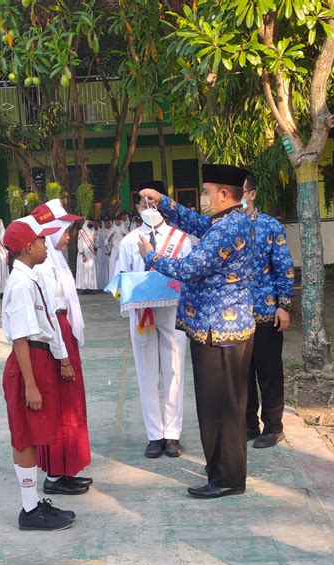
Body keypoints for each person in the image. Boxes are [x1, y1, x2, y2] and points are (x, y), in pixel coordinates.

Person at [139, 163, 255, 499]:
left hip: (217, 332)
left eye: (207, 192)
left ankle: (227, 477)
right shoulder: (232, 220)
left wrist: (152, 256)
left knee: (220, 407)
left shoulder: (226, 229)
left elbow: (189, 268)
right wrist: (163, 201)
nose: (204, 198)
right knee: (225, 404)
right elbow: (197, 223)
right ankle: (222, 468)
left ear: (223, 194)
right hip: (227, 329)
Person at [2, 216, 76, 530]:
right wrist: (31, 385)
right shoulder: (20, 283)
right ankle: (30, 511)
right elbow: (20, 336)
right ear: (28, 246)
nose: (46, 244)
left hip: (36, 359)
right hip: (27, 362)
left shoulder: (27, 277)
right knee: (26, 438)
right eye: (42, 241)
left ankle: (32, 506)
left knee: (29, 436)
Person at [115, 193, 192, 458]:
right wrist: (130, 295)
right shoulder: (128, 241)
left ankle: (172, 434)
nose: (148, 207)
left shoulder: (181, 240)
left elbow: (190, 275)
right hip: (142, 314)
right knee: (146, 373)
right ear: (136, 207)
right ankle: (154, 435)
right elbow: (120, 280)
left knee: (174, 370)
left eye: (152, 202)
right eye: (142, 203)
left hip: (174, 312)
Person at [31, 199, 92, 494]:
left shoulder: (55, 260)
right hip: (57, 337)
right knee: (60, 405)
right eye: (66, 230)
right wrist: (63, 357)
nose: (69, 237)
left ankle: (65, 469)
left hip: (64, 333)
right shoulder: (43, 267)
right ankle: (55, 474)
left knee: (71, 404)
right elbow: (49, 314)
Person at [242, 172, 295, 448]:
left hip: (266, 312)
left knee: (269, 373)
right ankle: (249, 425)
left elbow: (284, 267)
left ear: (252, 194)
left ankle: (273, 427)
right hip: (237, 317)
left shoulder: (270, 226)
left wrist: (284, 305)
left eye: (241, 192)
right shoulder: (229, 227)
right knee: (243, 375)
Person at [75, 217, 97, 292]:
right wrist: (82, 254)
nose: (90, 223)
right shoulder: (81, 232)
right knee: (83, 271)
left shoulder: (94, 231)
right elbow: (79, 243)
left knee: (90, 271)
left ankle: (91, 288)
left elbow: (94, 244)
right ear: (86, 222)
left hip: (91, 254)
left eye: (92, 222)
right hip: (83, 254)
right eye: (89, 222)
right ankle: (83, 288)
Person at [107, 213, 128, 279]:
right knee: (113, 267)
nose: (117, 221)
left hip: (123, 251)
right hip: (114, 251)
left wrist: (125, 235)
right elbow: (106, 243)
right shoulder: (112, 230)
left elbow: (129, 240)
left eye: (118, 220)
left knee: (122, 267)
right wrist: (110, 237)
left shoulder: (125, 229)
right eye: (115, 220)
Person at [96, 216, 112, 290]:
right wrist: (107, 252)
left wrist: (111, 251)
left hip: (112, 254)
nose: (107, 225)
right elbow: (102, 244)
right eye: (105, 223)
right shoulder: (101, 232)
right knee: (105, 271)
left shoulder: (113, 230)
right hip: (104, 253)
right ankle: (105, 286)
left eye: (108, 223)